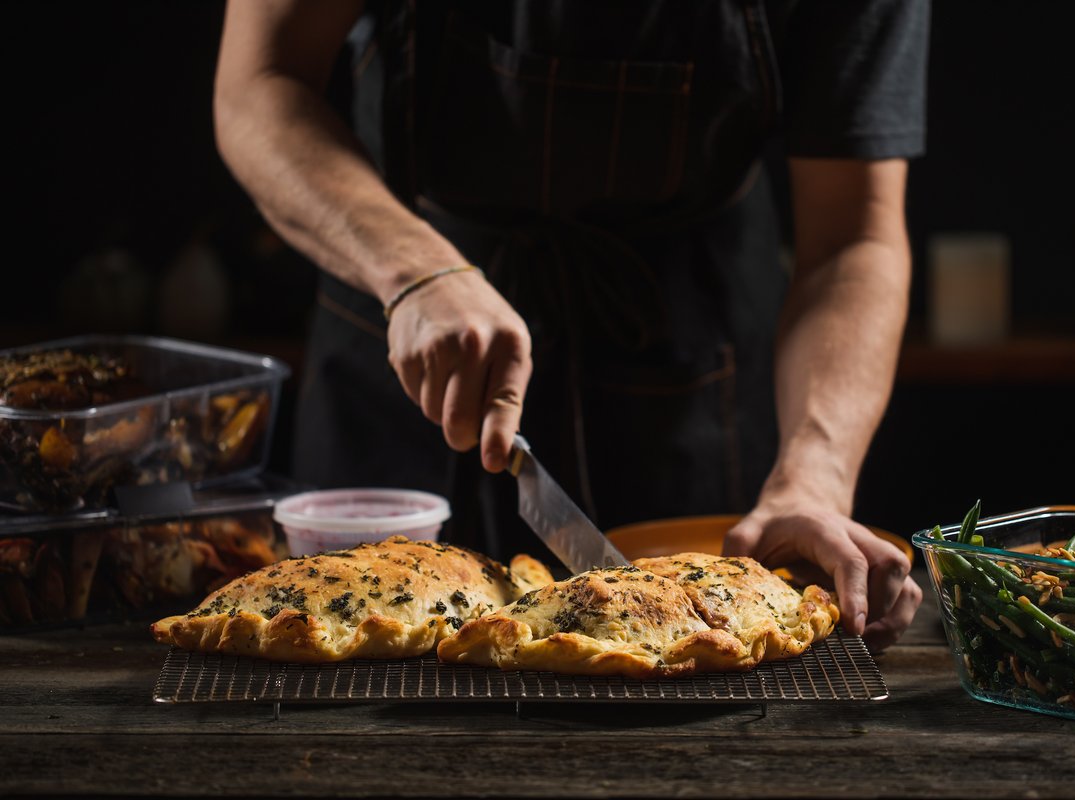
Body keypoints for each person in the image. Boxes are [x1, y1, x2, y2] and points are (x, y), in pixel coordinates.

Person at [212, 0, 928, 651]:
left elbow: (852, 239)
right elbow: (259, 84)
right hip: (405, 334)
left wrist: (814, 480)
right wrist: (413, 269)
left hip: (683, 368)